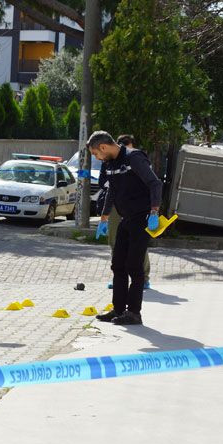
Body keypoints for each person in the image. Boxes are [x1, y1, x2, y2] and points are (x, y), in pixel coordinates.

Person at [89, 131, 162, 326]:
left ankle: (134, 313)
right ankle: (118, 309)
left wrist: (154, 211)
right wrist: (104, 218)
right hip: (126, 218)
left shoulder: (133, 157)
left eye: (96, 153)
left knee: (134, 267)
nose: (97, 157)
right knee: (118, 265)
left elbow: (155, 183)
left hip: (142, 218)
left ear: (103, 147)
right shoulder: (110, 163)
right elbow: (112, 190)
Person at [98, 134, 151, 290]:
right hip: (115, 206)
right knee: (115, 241)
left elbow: (149, 183)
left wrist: (153, 210)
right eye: (122, 145)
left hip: (135, 208)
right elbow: (104, 183)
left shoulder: (136, 159)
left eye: (127, 145)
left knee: (138, 243)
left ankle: (144, 277)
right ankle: (119, 278)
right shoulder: (108, 161)